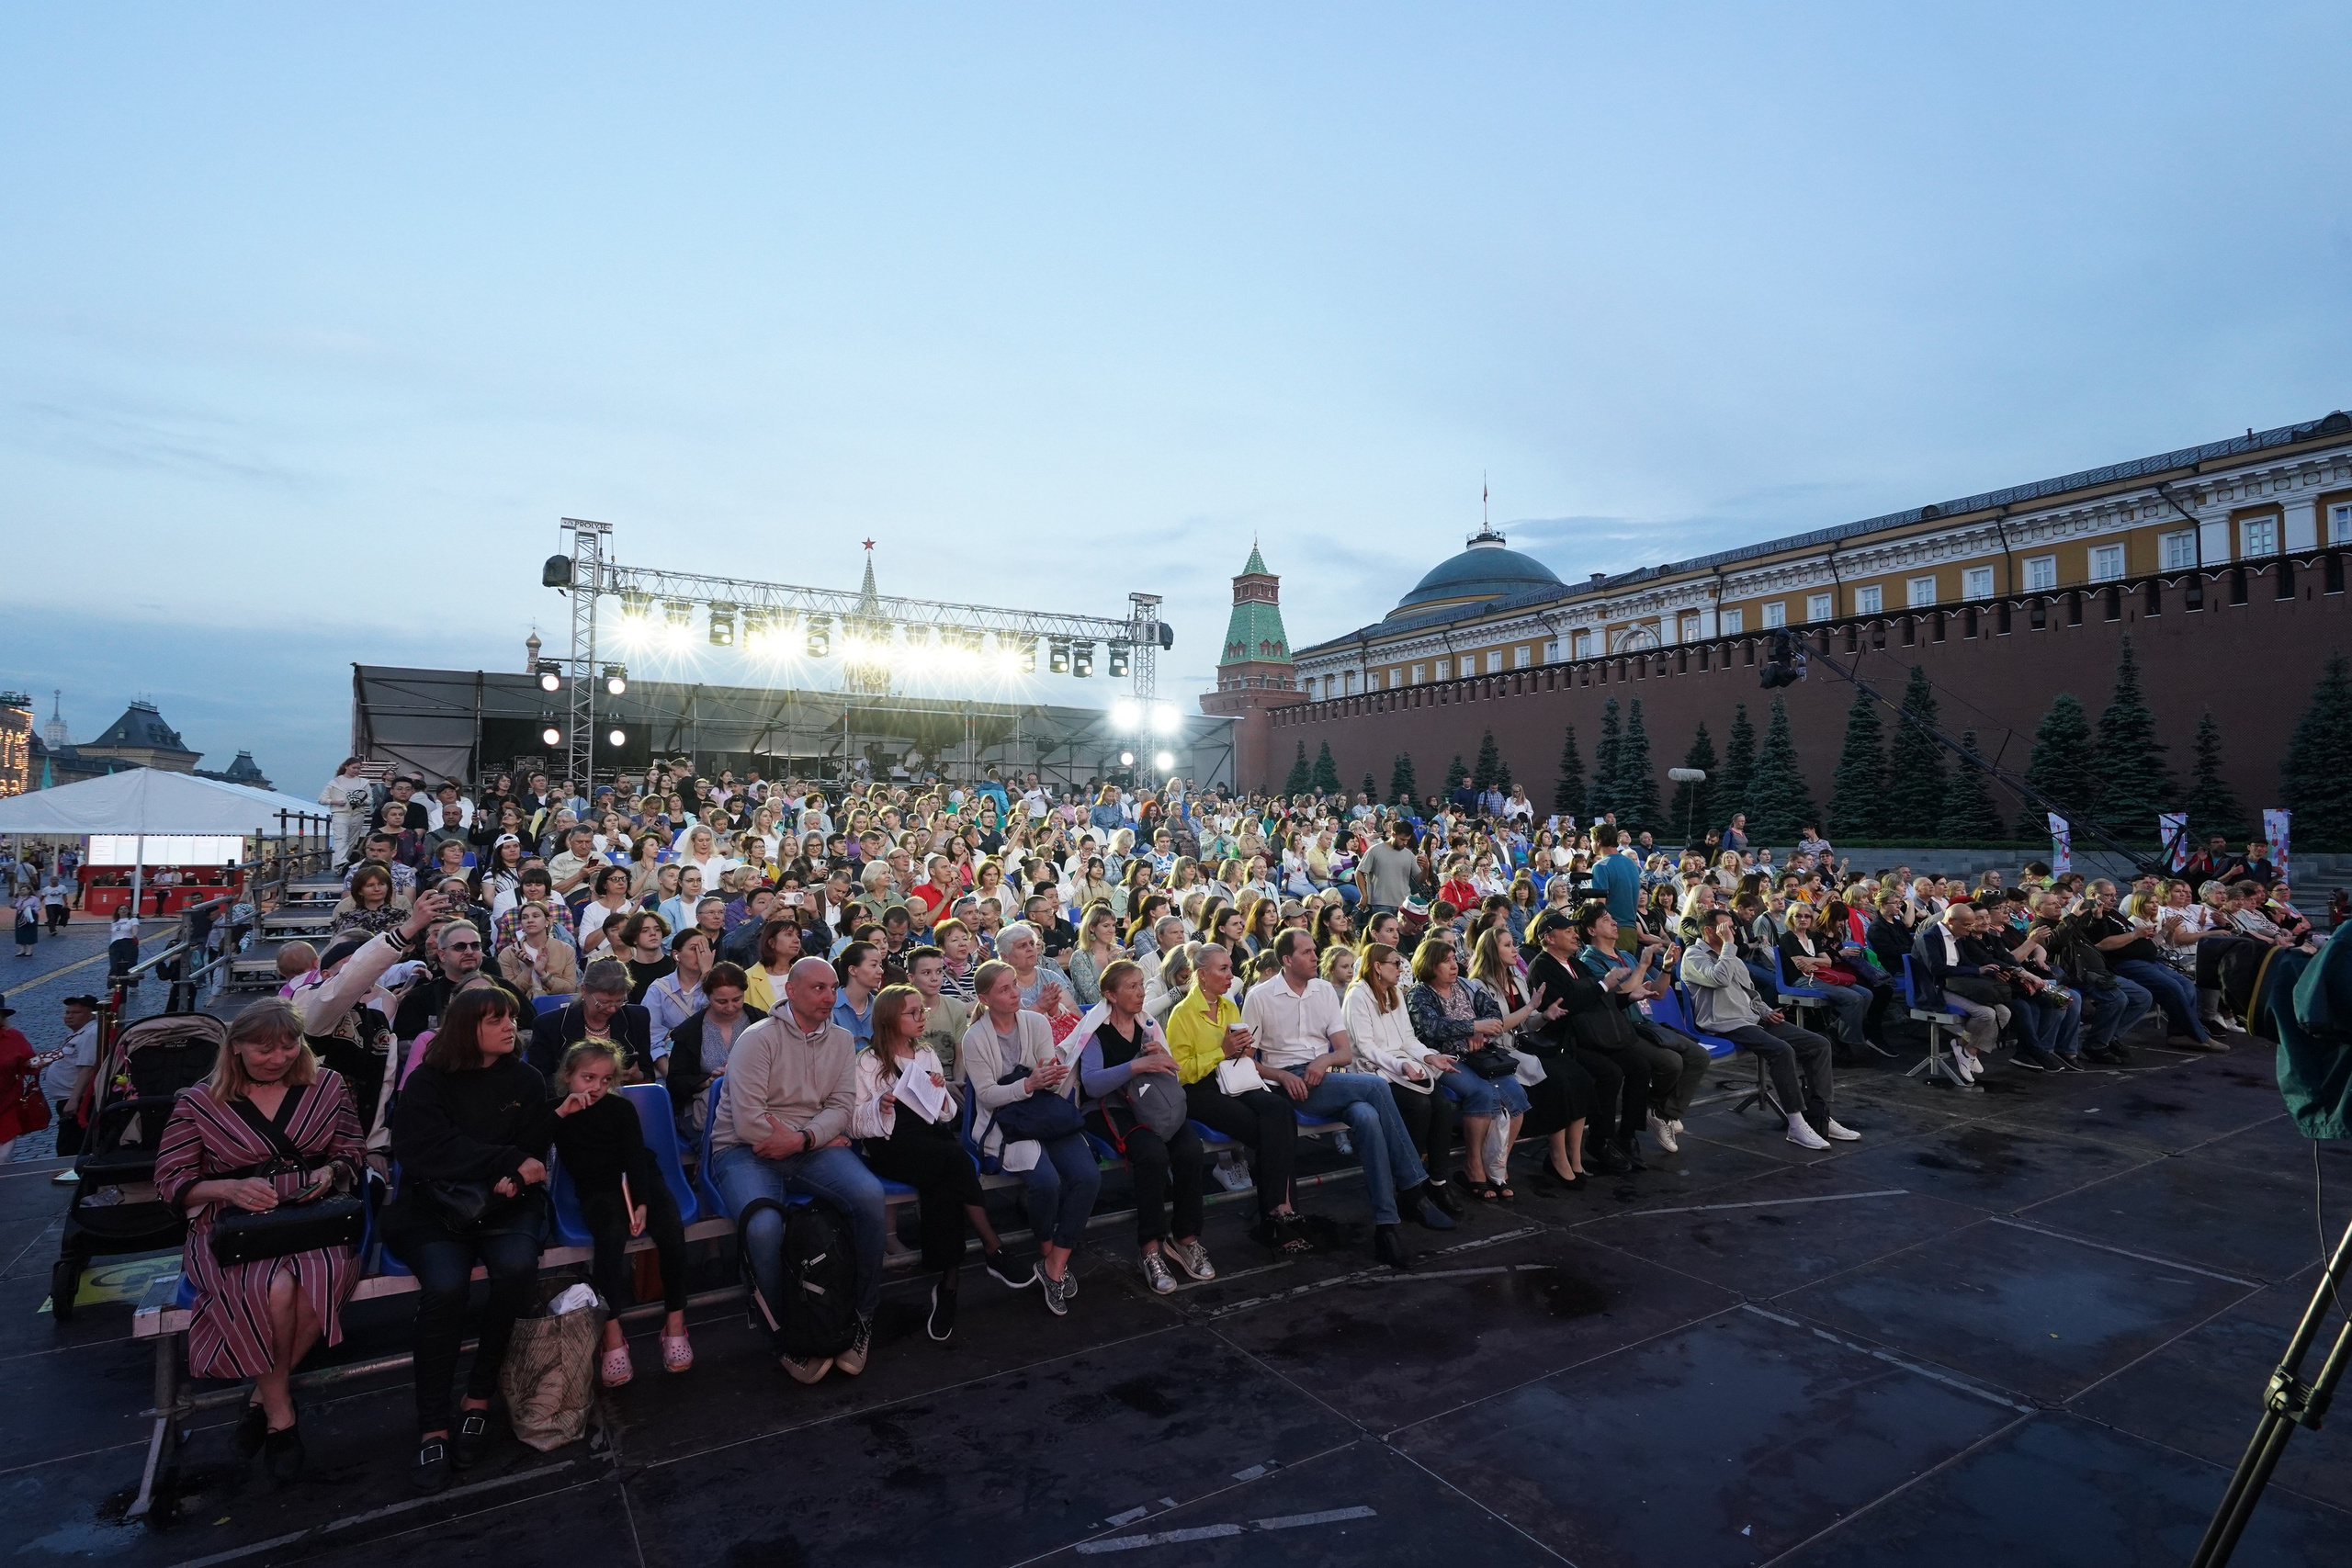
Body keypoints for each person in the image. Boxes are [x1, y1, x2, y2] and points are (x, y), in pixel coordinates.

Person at [149, 998, 364, 1483]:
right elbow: (171, 1181)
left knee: (323, 1276)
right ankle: (281, 1416)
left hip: (311, 1217)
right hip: (232, 1227)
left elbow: (351, 1148)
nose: (279, 1057)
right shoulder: (198, 1102)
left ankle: (260, 1398)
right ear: (237, 1048)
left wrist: (332, 1172)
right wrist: (228, 1187)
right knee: (275, 1289)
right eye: (265, 1049)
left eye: (289, 1046)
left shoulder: (327, 1087)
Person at [384, 987, 551, 1492]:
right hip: (435, 1205)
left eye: (513, 1019)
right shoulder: (429, 1080)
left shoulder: (525, 1077)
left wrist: (516, 1174)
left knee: (517, 1270)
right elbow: (427, 1152)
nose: (510, 1028)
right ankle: (432, 1421)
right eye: (497, 1020)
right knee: (446, 1288)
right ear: (466, 1027)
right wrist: (504, 1163)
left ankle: (479, 1395)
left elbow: (534, 1147)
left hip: (507, 1202)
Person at [709, 956, 880, 1384]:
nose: (829, 997)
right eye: (818, 988)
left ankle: (860, 1317)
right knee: (764, 1228)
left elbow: (842, 1107)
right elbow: (748, 1121)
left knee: (869, 1197)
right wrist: (812, 1133)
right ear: (791, 991)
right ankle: (786, 1334)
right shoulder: (756, 1039)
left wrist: (805, 1138)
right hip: (744, 1150)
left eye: (833, 988)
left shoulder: (842, 1040)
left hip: (807, 1147)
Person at [1239, 928, 1454, 1265]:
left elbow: (1342, 1051)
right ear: (1286, 960)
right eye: (1307, 952)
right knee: (1376, 1086)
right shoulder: (1259, 996)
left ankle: (1386, 1227)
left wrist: (1323, 1060)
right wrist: (1281, 1074)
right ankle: (1414, 1188)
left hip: (1324, 1075)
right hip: (1288, 1084)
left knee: (1368, 1118)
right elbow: (1247, 1061)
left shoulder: (1324, 990)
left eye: (1314, 949)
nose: (1315, 956)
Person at [852, 985, 1018, 1338]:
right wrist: (878, 1105)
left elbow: (946, 1115)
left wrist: (939, 1092)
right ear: (889, 1019)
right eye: (912, 1013)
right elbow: (852, 1122)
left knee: (944, 1184)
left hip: (929, 1141)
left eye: (922, 1012)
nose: (921, 1018)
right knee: (954, 1159)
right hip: (891, 1145)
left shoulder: (925, 1053)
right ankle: (991, 1244)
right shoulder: (867, 1061)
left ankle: (949, 1286)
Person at [548, 1040, 693, 1385]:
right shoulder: (555, 1112)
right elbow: (532, 1141)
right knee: (609, 1239)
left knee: (671, 1231)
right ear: (568, 1077)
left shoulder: (620, 1109)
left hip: (639, 1178)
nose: (596, 1086)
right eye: (588, 1078)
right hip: (596, 1187)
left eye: (604, 1079)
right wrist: (560, 1114)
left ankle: (675, 1325)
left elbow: (634, 1156)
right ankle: (612, 1335)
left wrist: (641, 1201)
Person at [962, 959, 1101, 1314]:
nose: (1015, 993)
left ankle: (1055, 1262)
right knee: (1046, 1181)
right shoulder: (975, 1037)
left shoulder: (1036, 1021)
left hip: (1043, 1115)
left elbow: (1047, 1078)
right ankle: (1046, 1247)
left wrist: (1052, 1076)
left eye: (1015, 985)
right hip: (1005, 1123)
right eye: (1005, 989)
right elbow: (988, 1096)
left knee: (1087, 1176)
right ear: (985, 998)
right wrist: (1028, 1084)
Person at [1073, 960, 1217, 1295]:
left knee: (1190, 1148)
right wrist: (1137, 1064)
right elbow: (1092, 1084)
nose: (1140, 993)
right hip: (1109, 1107)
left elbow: (1170, 1070)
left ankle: (1185, 1239)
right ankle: (1149, 1248)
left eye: (1141, 985)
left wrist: (1159, 1055)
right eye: (1131, 987)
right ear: (1110, 995)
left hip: (1150, 1102)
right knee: (1151, 1155)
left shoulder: (1148, 1024)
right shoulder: (1095, 1030)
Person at [1164, 942, 1311, 1255]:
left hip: (1235, 1079)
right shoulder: (1183, 1014)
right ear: (1202, 976)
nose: (1231, 975)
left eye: (1230, 967)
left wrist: (1244, 1049)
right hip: (1200, 1089)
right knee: (1269, 1131)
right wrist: (1223, 1051)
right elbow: (1180, 1073)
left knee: (1280, 1110)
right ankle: (1280, 1213)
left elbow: (1241, 1053)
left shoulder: (1229, 1005)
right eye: (1223, 969)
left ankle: (1275, 1211)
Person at [1683, 908, 1854, 1149]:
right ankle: (1796, 1123)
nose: (1732, 931)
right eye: (1727, 927)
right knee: (1782, 1050)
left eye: (1732, 927)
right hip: (1724, 1023)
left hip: (1752, 1017)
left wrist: (1765, 1010)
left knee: (1818, 1044)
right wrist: (1729, 946)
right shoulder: (1693, 955)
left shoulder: (1729, 953)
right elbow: (1718, 978)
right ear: (1709, 930)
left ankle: (1819, 1116)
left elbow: (1750, 992)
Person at [661, 962, 762, 1136]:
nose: (730, 1007)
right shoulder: (690, 1031)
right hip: (706, 1114)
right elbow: (676, 1082)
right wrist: (707, 1081)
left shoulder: (760, 1021)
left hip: (755, 1106)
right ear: (708, 997)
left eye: (737, 999)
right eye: (721, 1002)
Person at [527, 959, 654, 1080]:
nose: (612, 1009)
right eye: (604, 1002)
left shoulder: (637, 1018)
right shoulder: (548, 1025)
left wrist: (639, 1076)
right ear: (584, 990)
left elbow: (648, 1072)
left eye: (619, 1001)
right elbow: (540, 1081)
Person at [40, 993, 102, 1170]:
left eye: (75, 1012)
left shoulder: (92, 1033)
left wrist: (74, 1100)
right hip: (69, 1099)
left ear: (91, 1014)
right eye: (67, 1012)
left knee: (69, 1147)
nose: (68, 1016)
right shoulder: (80, 1033)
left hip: (76, 1101)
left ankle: (73, 1180)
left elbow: (88, 1068)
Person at [496, 901, 580, 999]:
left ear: (548, 921)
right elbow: (509, 993)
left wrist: (543, 974)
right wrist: (528, 969)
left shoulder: (566, 950)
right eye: (525, 917)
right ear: (521, 924)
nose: (530, 920)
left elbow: (570, 988)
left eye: (535, 916)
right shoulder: (508, 953)